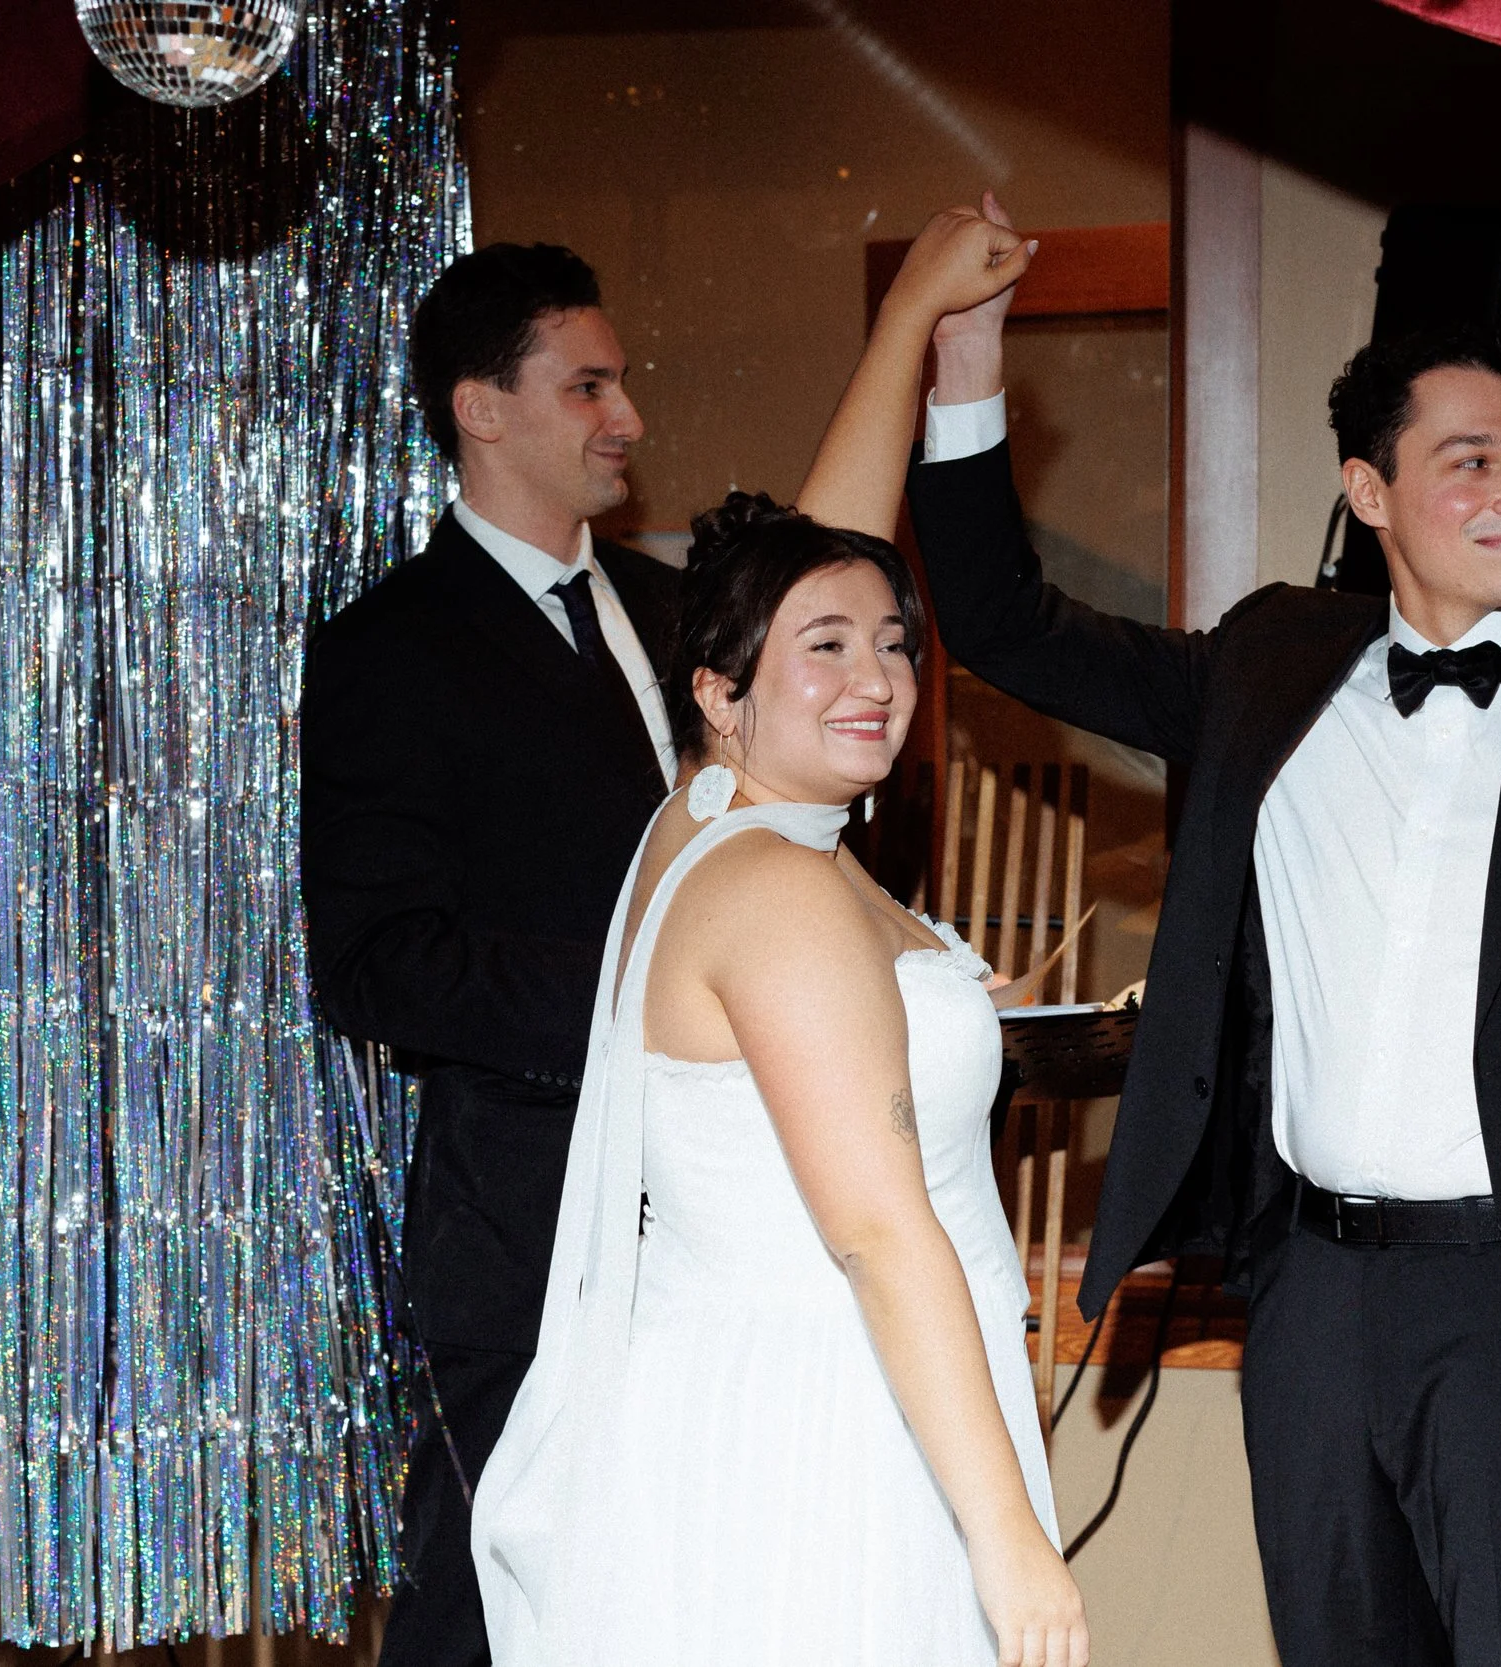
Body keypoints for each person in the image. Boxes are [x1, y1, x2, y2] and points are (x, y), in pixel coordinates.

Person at [891, 196, 1501, 1666]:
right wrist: (962, 375)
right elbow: (1007, 625)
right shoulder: (1273, 661)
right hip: (1314, 1300)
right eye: (1469, 460)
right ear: (1369, 488)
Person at [469, 209, 1088, 1667]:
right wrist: (1010, 1541)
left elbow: (829, 562)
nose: (875, 674)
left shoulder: (728, 821)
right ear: (721, 694)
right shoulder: (783, 889)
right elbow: (879, 1234)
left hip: (811, 1392)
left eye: (896, 644)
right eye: (828, 649)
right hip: (829, 1429)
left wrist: (929, 327)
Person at [299, 242, 678, 1667]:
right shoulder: (389, 648)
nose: (626, 415)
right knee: (479, 1613)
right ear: (481, 407)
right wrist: (651, 1006)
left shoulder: (681, 610)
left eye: (623, 381)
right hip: (523, 1226)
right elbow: (377, 959)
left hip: (716, 1210)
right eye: (587, 383)